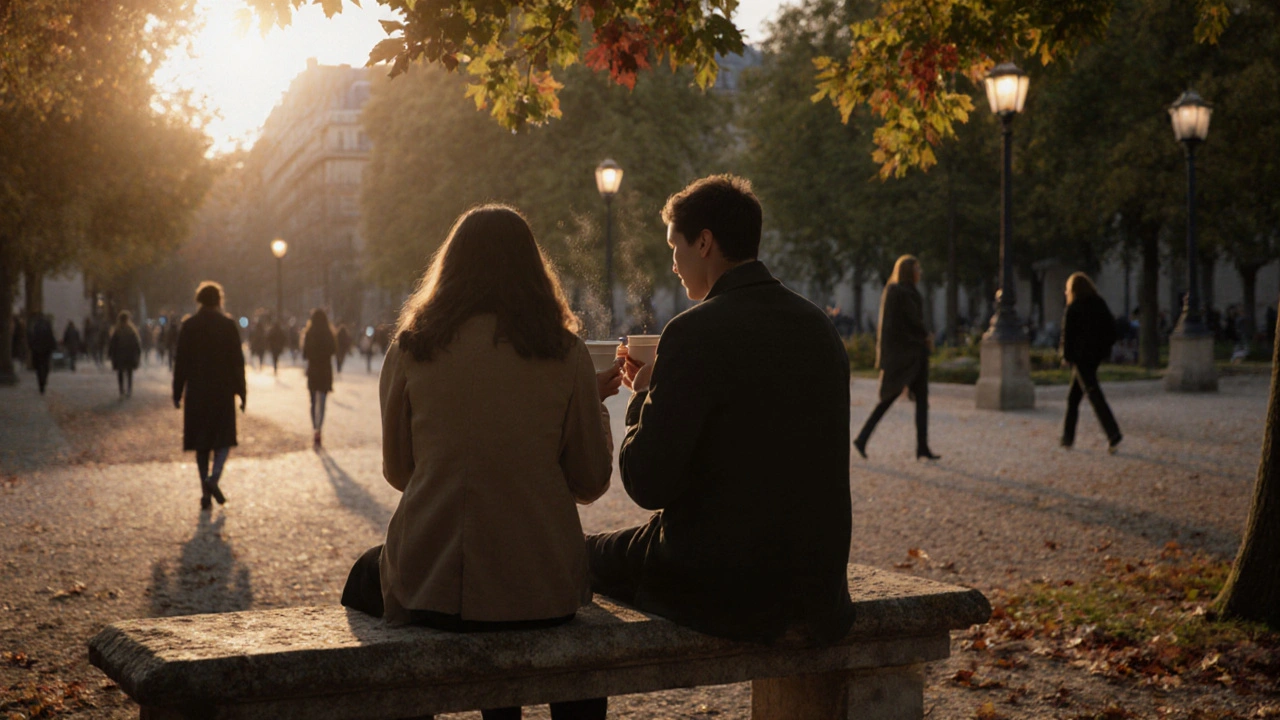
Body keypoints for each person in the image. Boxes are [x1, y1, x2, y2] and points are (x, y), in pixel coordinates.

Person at [340, 205, 618, 720]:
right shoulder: (566, 352)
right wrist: (591, 404)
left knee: (364, 574)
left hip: (434, 583)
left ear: (449, 269)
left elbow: (399, 473)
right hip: (541, 586)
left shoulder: (411, 348)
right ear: (534, 272)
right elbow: (590, 481)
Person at [588, 175, 854, 649]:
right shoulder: (817, 326)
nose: (672, 264)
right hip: (818, 584)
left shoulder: (694, 332)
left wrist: (640, 398)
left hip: (725, 584)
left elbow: (647, 483)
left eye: (676, 248)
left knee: (575, 558)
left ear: (705, 242)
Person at [852, 255, 939, 461]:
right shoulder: (899, 292)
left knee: (919, 401)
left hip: (912, 355)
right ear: (909, 272)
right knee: (889, 399)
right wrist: (925, 335)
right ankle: (862, 438)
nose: (919, 273)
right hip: (906, 356)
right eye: (917, 269)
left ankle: (922, 447)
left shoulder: (901, 292)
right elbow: (909, 322)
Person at [173, 282, 247, 511]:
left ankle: (205, 493)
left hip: (197, 392)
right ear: (219, 300)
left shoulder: (189, 326)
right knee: (223, 440)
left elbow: (181, 362)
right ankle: (214, 478)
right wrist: (242, 392)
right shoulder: (228, 325)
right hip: (222, 391)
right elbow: (237, 362)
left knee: (201, 445)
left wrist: (177, 392)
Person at [1060, 272, 1122, 453]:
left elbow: (1068, 336)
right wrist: (1103, 349)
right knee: (1074, 397)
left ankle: (1113, 433)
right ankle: (1067, 437)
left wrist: (1067, 357)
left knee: (1094, 395)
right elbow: (1111, 329)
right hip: (1094, 356)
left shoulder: (1073, 308)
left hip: (1080, 358)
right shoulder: (1099, 303)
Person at [302, 309, 336, 447]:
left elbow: (304, 353)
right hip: (325, 371)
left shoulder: (309, 333)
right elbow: (333, 350)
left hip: (313, 371)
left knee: (312, 401)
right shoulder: (329, 333)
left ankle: (314, 427)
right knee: (322, 402)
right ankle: (319, 428)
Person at [107, 311, 143, 397]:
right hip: (129, 355)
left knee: (120, 372)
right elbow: (136, 343)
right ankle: (129, 390)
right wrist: (138, 352)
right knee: (129, 372)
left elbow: (112, 343)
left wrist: (110, 353)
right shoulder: (131, 330)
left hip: (120, 355)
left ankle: (121, 390)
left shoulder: (117, 331)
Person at [27, 311, 56, 394]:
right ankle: (44, 380)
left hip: (37, 350)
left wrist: (32, 347)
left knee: (39, 367)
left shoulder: (35, 326)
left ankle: (41, 383)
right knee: (45, 366)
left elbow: (32, 338)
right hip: (46, 349)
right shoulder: (47, 325)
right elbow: (51, 337)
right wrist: (53, 347)